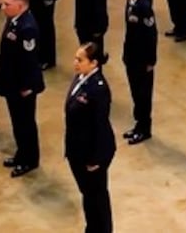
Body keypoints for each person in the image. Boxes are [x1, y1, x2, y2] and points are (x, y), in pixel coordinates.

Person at [66, 43, 117, 233]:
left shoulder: (98, 89)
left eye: (80, 60)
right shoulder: (80, 78)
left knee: (97, 196)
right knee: (88, 195)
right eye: (75, 58)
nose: (75, 63)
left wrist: (96, 159)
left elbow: (100, 125)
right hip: (78, 150)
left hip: (93, 154)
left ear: (94, 63)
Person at [0, 0, 46, 177]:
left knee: (25, 123)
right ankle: (21, 153)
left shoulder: (27, 28)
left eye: (7, 4)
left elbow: (29, 60)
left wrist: (26, 86)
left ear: (20, 6)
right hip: (12, 82)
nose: (3, 7)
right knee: (17, 122)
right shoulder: (14, 20)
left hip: (23, 86)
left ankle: (30, 159)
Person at [121, 0, 157, 145]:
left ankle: (145, 128)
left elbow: (151, 36)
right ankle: (138, 124)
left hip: (142, 59)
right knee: (135, 92)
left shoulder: (144, 7)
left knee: (143, 94)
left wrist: (151, 61)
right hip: (132, 56)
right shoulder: (130, 2)